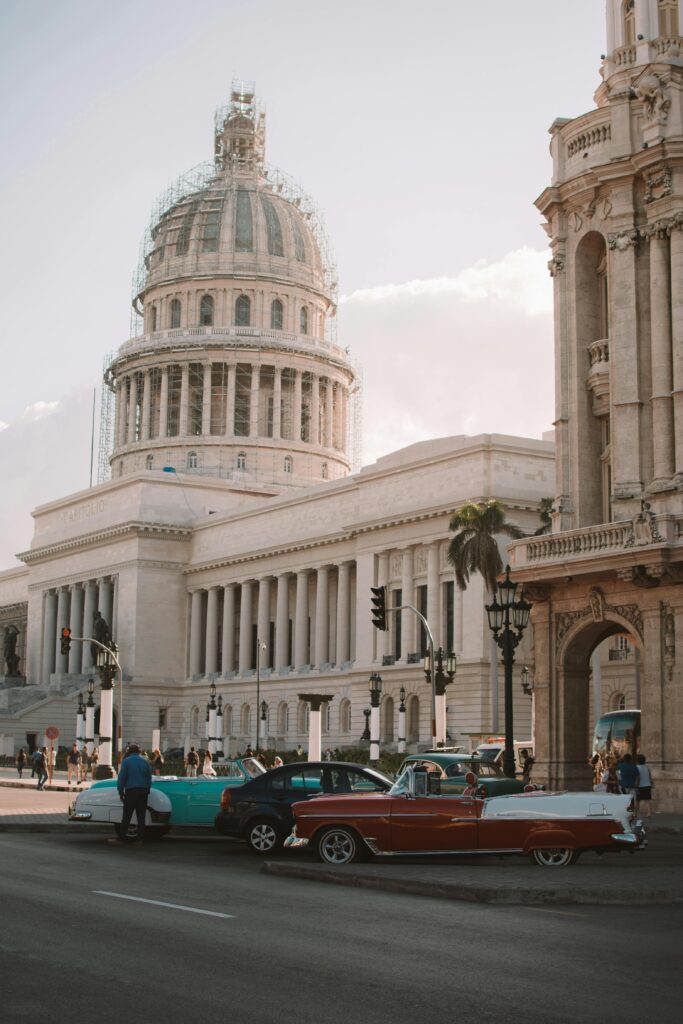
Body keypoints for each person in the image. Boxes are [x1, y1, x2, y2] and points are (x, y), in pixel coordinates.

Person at [110, 742, 152, 844]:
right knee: (141, 815)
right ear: (139, 752)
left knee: (127, 815)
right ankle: (140, 839)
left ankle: (122, 838)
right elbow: (149, 778)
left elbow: (122, 778)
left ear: (130, 752)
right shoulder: (145, 761)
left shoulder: (126, 761)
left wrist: (120, 791)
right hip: (143, 791)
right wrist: (147, 790)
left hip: (131, 791)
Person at [636, 754, 653, 818]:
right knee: (647, 800)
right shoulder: (647, 767)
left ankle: (635, 813)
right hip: (647, 785)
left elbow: (637, 777)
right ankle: (649, 813)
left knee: (637, 801)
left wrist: (636, 786)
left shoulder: (636, 767)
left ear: (637, 760)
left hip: (640, 786)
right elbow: (650, 776)